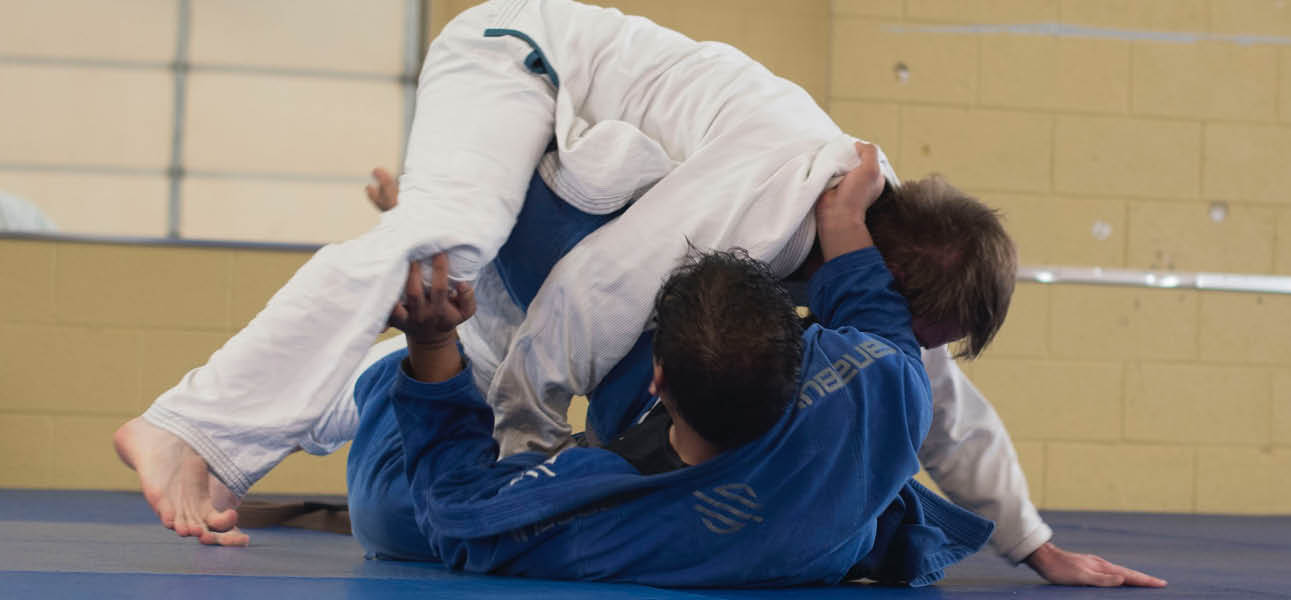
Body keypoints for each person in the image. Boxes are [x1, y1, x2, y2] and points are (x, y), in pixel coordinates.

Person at [114, 0, 1162, 587]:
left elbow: (938, 402)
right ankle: (188, 424)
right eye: (916, 325)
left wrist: (1034, 545)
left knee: (464, 329)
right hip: (513, 63)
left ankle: (398, 350)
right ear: (883, 273)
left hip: (579, 168)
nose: (908, 345)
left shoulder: (864, 267)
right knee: (451, 239)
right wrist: (526, 456)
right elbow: (586, 293)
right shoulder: (772, 191)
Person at [340, 164, 992, 585]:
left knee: (393, 518)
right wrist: (847, 224)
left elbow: (454, 511)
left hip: (413, 459)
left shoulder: (614, 520)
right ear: (798, 359)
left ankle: (378, 376)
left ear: (658, 379)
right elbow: (876, 310)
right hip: (787, 518)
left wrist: (431, 344)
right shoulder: (886, 389)